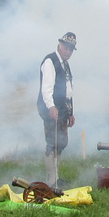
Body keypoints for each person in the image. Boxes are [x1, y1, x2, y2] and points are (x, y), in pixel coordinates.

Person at [38, 31, 77, 190]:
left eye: (71, 49)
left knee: (61, 143)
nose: (68, 51)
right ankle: (51, 181)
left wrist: (71, 112)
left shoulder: (65, 64)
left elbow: (68, 89)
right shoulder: (50, 61)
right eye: (66, 47)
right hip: (50, 108)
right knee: (52, 143)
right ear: (59, 46)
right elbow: (46, 88)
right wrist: (51, 107)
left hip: (62, 109)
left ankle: (56, 178)